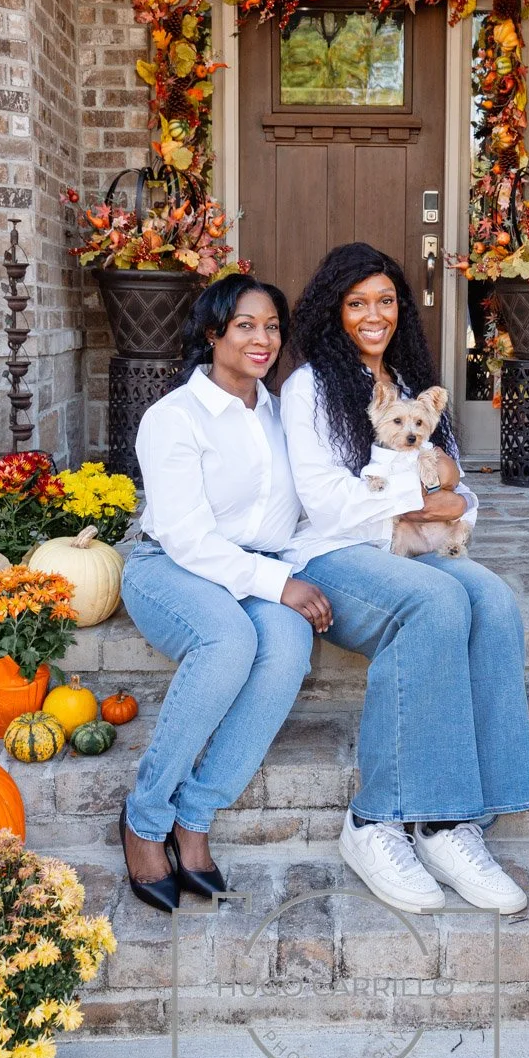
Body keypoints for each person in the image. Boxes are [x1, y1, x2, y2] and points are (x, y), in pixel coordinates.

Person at [281, 243, 529, 915]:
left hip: (404, 541)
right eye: (357, 302)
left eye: (386, 301)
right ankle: (376, 821)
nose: (374, 315)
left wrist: (455, 501)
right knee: (434, 603)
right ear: (334, 312)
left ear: (402, 309)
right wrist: (429, 501)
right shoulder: (309, 387)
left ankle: (455, 824)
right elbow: (327, 502)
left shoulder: (411, 377)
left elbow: (453, 484)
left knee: (490, 598)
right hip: (330, 552)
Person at [119, 274, 332, 913]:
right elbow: (187, 536)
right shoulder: (174, 418)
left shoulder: (279, 413)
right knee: (228, 639)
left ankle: (196, 814)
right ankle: (145, 818)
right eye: (245, 325)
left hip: (255, 567)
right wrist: (278, 582)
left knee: (289, 645)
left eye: (271, 327)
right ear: (213, 333)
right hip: (173, 569)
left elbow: (303, 509)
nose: (262, 339)